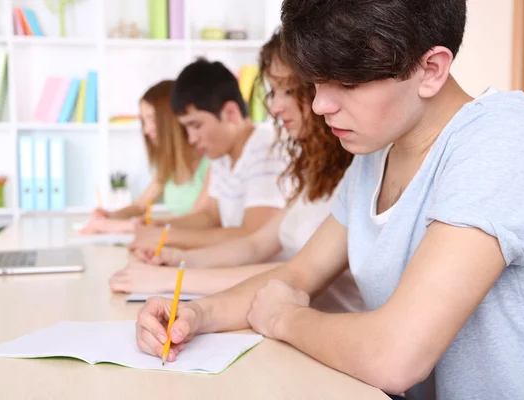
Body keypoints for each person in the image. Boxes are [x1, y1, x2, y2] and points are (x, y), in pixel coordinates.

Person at [134, 1, 524, 399]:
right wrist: (195, 314)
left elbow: (395, 356)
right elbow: (297, 274)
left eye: (347, 83)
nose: (319, 105)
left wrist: (285, 318)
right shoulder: (376, 154)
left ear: (430, 70)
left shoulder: (503, 137)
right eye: (316, 83)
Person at [110, 32, 363, 314]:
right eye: (274, 92)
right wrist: (177, 258)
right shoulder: (317, 169)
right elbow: (255, 244)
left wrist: (171, 276)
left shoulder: (350, 168)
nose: (276, 108)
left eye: (289, 90)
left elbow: (293, 270)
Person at [128, 59, 288, 250]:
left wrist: (165, 236)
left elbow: (252, 234)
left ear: (230, 113)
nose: (191, 138)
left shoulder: (266, 149)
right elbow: (210, 215)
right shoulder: (222, 155)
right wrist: (158, 226)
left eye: (196, 125)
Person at [80, 80, 210, 234]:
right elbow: (140, 206)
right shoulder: (169, 166)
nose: (146, 130)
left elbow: (195, 222)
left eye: (153, 120)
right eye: (144, 121)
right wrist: (109, 216)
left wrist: (115, 226)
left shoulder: (211, 162)